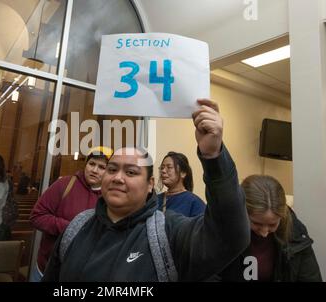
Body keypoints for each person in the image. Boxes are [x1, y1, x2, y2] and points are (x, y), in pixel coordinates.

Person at [42, 99, 250, 282]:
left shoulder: (167, 233)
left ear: (150, 184)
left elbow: (230, 235)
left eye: (131, 172)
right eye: (112, 169)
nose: (118, 177)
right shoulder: (78, 226)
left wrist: (214, 157)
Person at [30, 146, 113, 281]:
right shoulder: (64, 184)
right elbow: (37, 216)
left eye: (102, 167)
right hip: (46, 270)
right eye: (91, 164)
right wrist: (71, 228)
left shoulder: (110, 197)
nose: (94, 170)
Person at [219, 175, 322, 282]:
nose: (264, 233)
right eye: (256, 223)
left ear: (282, 217)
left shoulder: (295, 232)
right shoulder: (221, 231)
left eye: (272, 225)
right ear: (241, 213)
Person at [157, 152, 206, 216]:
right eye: (162, 167)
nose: (163, 171)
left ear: (183, 173)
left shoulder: (195, 203)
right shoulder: (155, 200)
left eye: (169, 167)